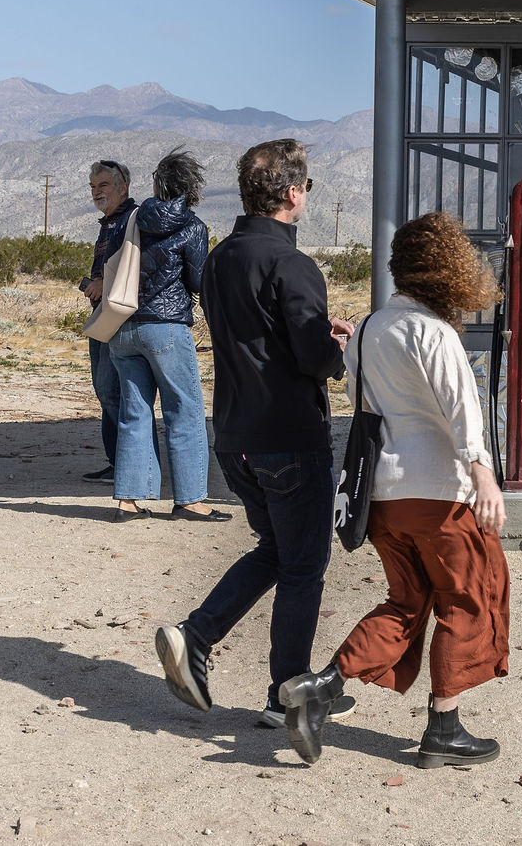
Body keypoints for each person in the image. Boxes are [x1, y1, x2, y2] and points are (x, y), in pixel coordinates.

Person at [280, 210, 511, 768]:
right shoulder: (436, 333)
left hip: (383, 495)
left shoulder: (368, 329)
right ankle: (443, 729)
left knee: (407, 601)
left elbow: (363, 403)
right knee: (469, 597)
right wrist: (483, 472)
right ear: (449, 270)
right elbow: (463, 408)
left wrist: (352, 344)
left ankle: (322, 686)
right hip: (441, 493)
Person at [155, 139, 356, 727]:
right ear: (292, 192)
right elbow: (312, 358)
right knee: (303, 566)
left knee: (277, 551)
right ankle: (288, 691)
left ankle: (199, 638)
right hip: (289, 435)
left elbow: (257, 332)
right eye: (307, 187)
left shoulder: (220, 259)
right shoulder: (294, 265)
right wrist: (336, 347)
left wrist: (312, 332)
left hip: (235, 434)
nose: (306, 195)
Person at [107, 149, 225, 521]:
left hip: (124, 325)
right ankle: (190, 500)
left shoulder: (132, 219)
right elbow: (199, 281)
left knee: (134, 412)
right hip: (166, 327)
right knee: (184, 410)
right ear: (192, 186)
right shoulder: (193, 226)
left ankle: (129, 501)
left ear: (158, 185)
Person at [78, 159, 136, 482]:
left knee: (112, 391)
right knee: (105, 391)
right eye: (93, 186)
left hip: (119, 317)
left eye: (103, 185)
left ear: (122, 187)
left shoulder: (131, 219)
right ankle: (117, 462)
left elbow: (134, 266)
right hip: (104, 314)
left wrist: (105, 284)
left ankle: (127, 464)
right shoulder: (109, 223)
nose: (96, 191)